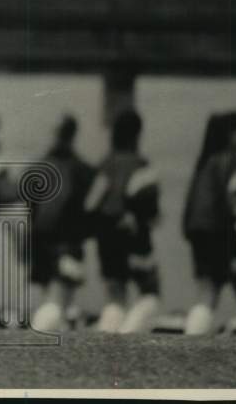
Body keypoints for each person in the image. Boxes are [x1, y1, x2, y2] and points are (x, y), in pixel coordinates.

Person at [181, 111, 236, 336]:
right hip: (230, 235)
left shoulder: (205, 164)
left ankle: (188, 346)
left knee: (206, 297)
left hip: (202, 236)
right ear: (231, 134)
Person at [87, 108, 161, 333]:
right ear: (137, 134)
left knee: (115, 297)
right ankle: (128, 338)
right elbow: (149, 206)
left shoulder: (105, 164)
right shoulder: (141, 165)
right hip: (135, 235)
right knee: (150, 293)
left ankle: (108, 344)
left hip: (106, 236)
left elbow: (90, 204)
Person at [29, 116, 98, 333]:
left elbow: (30, 208)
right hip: (69, 243)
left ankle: (44, 338)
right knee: (61, 302)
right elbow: (91, 209)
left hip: (40, 241)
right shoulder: (83, 170)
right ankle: (42, 340)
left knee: (50, 299)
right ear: (73, 136)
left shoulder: (38, 167)